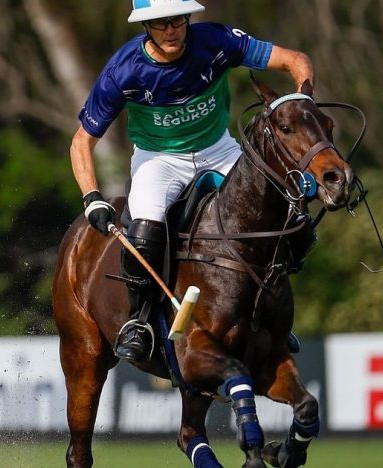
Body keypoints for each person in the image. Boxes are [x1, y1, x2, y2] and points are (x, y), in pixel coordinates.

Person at [71, 0, 315, 362]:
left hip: (219, 149)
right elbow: (81, 142)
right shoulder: (123, 71)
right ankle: (139, 322)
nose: (171, 30)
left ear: (188, 19)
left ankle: (269, 313)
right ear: (146, 28)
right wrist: (92, 197)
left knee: (293, 221)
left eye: (177, 21)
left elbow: (295, 60)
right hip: (159, 159)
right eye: (160, 23)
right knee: (145, 231)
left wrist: (303, 101)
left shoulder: (217, 41)